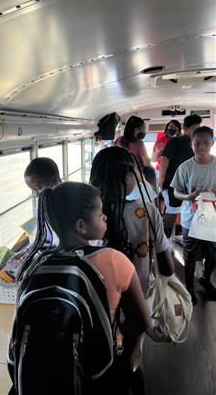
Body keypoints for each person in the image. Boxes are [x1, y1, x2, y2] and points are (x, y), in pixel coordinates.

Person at [16, 181, 150, 394]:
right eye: (100, 214)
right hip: (99, 365)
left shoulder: (35, 264)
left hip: (43, 367)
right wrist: (117, 338)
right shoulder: (115, 260)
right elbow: (142, 321)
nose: (105, 217)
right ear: (81, 226)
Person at [90, 146, 174, 395]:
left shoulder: (86, 217)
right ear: (129, 178)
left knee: (100, 357)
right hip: (135, 305)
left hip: (96, 303)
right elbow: (168, 268)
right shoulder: (147, 212)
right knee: (132, 357)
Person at [171, 126, 216, 305]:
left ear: (212, 144)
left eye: (206, 143)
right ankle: (189, 287)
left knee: (212, 254)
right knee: (189, 255)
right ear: (191, 144)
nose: (202, 147)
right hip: (191, 219)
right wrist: (188, 197)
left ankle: (206, 279)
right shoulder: (185, 168)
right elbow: (175, 192)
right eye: (198, 143)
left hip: (213, 220)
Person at [158, 114, 202, 238]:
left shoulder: (197, 144)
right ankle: (163, 237)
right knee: (173, 210)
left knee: (190, 209)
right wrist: (161, 179)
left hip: (190, 184)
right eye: (194, 128)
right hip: (172, 183)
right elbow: (165, 159)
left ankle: (182, 235)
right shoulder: (175, 141)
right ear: (186, 129)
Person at [114, 115, 156, 188]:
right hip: (137, 178)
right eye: (143, 130)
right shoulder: (139, 144)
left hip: (120, 176)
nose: (144, 132)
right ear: (136, 130)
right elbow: (146, 163)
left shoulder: (118, 141)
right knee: (151, 170)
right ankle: (153, 197)